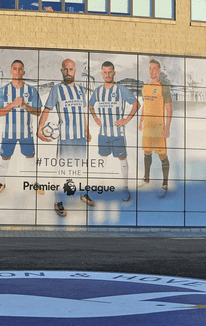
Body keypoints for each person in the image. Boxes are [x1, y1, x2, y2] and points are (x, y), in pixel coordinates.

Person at [37, 58, 92, 217]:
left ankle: (82, 193)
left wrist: (87, 130)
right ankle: (58, 200)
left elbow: (82, 112)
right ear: (62, 71)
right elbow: (47, 110)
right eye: (65, 69)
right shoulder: (57, 89)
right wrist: (40, 128)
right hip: (66, 137)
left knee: (81, 168)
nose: (68, 72)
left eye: (71, 69)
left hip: (80, 137)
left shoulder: (81, 90)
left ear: (75, 71)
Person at [89, 61, 140, 202]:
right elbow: (90, 104)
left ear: (114, 73)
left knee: (122, 159)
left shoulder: (120, 89)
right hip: (103, 133)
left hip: (118, 134)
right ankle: (100, 186)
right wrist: (95, 118)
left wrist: (126, 120)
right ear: (101, 73)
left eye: (109, 72)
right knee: (102, 159)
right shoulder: (98, 91)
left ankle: (125, 188)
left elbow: (136, 104)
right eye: (104, 72)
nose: (107, 74)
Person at [0, 60, 44, 197]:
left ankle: (35, 182)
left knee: (30, 157)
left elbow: (38, 111)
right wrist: (13, 104)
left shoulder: (31, 90)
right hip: (9, 133)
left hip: (26, 132)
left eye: (20, 69)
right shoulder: (3, 90)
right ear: (10, 71)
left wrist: (25, 106)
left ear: (24, 72)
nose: (17, 71)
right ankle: (1, 183)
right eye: (15, 68)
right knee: (5, 158)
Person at [139, 59, 173, 198]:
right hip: (147, 127)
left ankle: (164, 183)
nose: (151, 71)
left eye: (154, 68)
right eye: (150, 68)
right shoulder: (145, 87)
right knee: (147, 153)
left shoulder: (164, 87)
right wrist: (141, 121)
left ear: (159, 71)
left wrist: (167, 128)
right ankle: (146, 179)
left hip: (159, 128)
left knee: (162, 155)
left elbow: (169, 110)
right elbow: (145, 105)